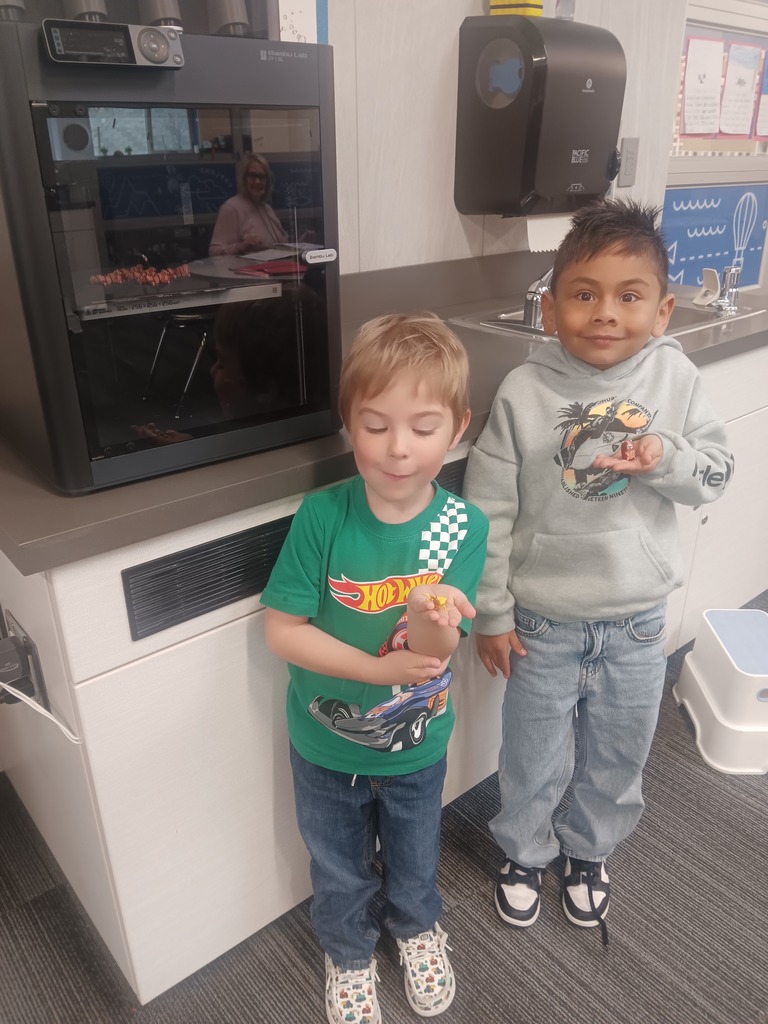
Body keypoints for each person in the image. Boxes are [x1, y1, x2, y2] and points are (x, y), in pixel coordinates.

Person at [463, 199, 734, 944]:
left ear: (663, 308)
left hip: (638, 620)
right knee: (531, 754)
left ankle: (588, 852)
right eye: (584, 294)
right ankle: (524, 853)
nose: (605, 314)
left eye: (629, 295)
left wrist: (667, 458)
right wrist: (491, 612)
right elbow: (487, 509)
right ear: (550, 310)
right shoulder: (523, 393)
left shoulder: (675, 383)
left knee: (619, 752)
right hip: (543, 621)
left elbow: (713, 475)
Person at [261, 313, 488, 1023]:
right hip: (325, 741)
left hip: (415, 743)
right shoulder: (323, 516)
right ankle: (348, 951)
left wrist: (431, 615)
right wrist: (372, 668)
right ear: (348, 425)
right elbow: (282, 631)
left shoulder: (462, 526)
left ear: (457, 428)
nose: (397, 449)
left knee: (418, 857)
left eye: (422, 428)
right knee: (336, 863)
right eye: (376, 424)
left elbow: (436, 655)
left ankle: (417, 930)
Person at [208, 153, 288, 257]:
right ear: (244, 179)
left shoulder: (267, 209)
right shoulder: (231, 208)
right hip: (243, 271)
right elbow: (214, 252)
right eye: (253, 176)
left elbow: (282, 245)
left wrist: (303, 242)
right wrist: (241, 246)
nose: (257, 181)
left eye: (262, 177)